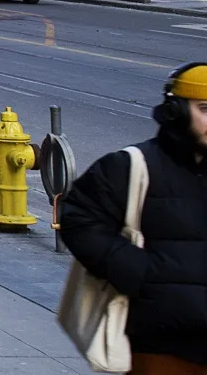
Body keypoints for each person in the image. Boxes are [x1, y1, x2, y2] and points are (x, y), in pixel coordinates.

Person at [59, 62, 207, 372]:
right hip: (160, 343)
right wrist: (135, 271)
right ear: (176, 110)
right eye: (204, 109)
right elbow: (79, 217)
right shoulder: (132, 164)